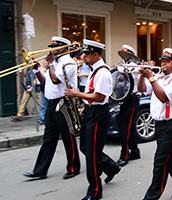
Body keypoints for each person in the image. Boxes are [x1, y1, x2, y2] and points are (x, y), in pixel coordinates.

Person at [64, 39, 121, 200]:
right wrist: (84, 106)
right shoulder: (95, 69)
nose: (83, 56)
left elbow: (100, 96)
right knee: (85, 147)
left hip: (98, 114)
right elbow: (92, 95)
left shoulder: (102, 72)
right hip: (91, 111)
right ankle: (111, 167)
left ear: (95, 55)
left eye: (86, 54)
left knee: (92, 155)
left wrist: (77, 94)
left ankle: (95, 191)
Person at [138, 48, 172, 200]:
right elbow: (142, 89)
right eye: (162, 61)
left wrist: (150, 77)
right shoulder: (159, 77)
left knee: (161, 162)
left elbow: (164, 97)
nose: (163, 64)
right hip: (160, 124)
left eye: (167, 62)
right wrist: (142, 76)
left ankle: (152, 197)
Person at [24, 36, 80, 180]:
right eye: (52, 48)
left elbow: (56, 80)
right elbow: (46, 84)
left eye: (56, 49)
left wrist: (49, 64)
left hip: (64, 103)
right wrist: (37, 71)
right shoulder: (55, 63)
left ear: (64, 49)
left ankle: (73, 167)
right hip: (51, 103)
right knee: (48, 139)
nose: (52, 51)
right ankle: (40, 170)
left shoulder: (68, 63)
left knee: (68, 137)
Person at [116, 44, 141, 167]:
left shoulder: (134, 67)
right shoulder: (123, 65)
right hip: (124, 98)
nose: (123, 56)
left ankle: (124, 155)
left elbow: (129, 79)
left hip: (132, 99)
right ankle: (135, 151)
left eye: (125, 54)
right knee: (128, 127)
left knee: (125, 128)